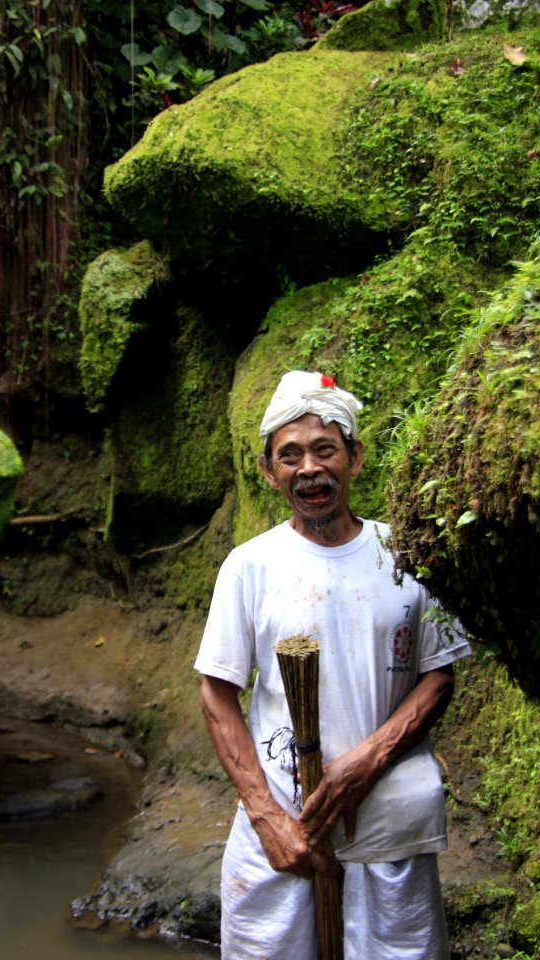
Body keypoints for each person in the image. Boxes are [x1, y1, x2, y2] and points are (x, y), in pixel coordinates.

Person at [194, 370, 471, 960]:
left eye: (325, 449)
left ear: (355, 458)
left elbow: (439, 674)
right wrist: (266, 816)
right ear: (270, 474)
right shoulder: (249, 567)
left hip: (390, 824)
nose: (309, 468)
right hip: (283, 836)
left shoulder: (406, 555)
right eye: (289, 456)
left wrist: (367, 760)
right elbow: (217, 696)